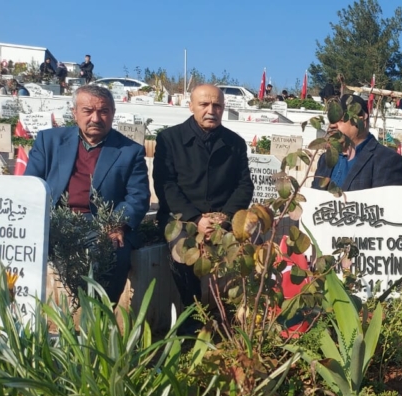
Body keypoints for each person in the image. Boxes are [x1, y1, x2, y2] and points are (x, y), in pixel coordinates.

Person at [24, 85, 150, 303]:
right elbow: (30, 186)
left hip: (101, 224)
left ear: (112, 114)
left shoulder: (130, 151)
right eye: (87, 110)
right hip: (53, 220)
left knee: (114, 253)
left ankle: (98, 321)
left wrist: (116, 224)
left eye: (103, 111)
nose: (96, 118)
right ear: (74, 113)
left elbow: (138, 197)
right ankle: (22, 316)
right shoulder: (49, 141)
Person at [153, 84, 254, 311]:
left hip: (222, 218)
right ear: (191, 106)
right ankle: (195, 315)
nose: (211, 110)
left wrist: (225, 218)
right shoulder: (169, 139)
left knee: (247, 250)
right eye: (204, 104)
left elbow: (244, 185)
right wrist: (196, 219)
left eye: (217, 105)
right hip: (182, 218)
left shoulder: (235, 143)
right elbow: (166, 185)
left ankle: (232, 314)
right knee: (182, 250)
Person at [312, 94, 402, 191]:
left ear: (360, 121)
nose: (332, 125)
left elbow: (385, 204)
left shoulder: (388, 161)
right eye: (331, 120)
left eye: (340, 120)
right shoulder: (325, 159)